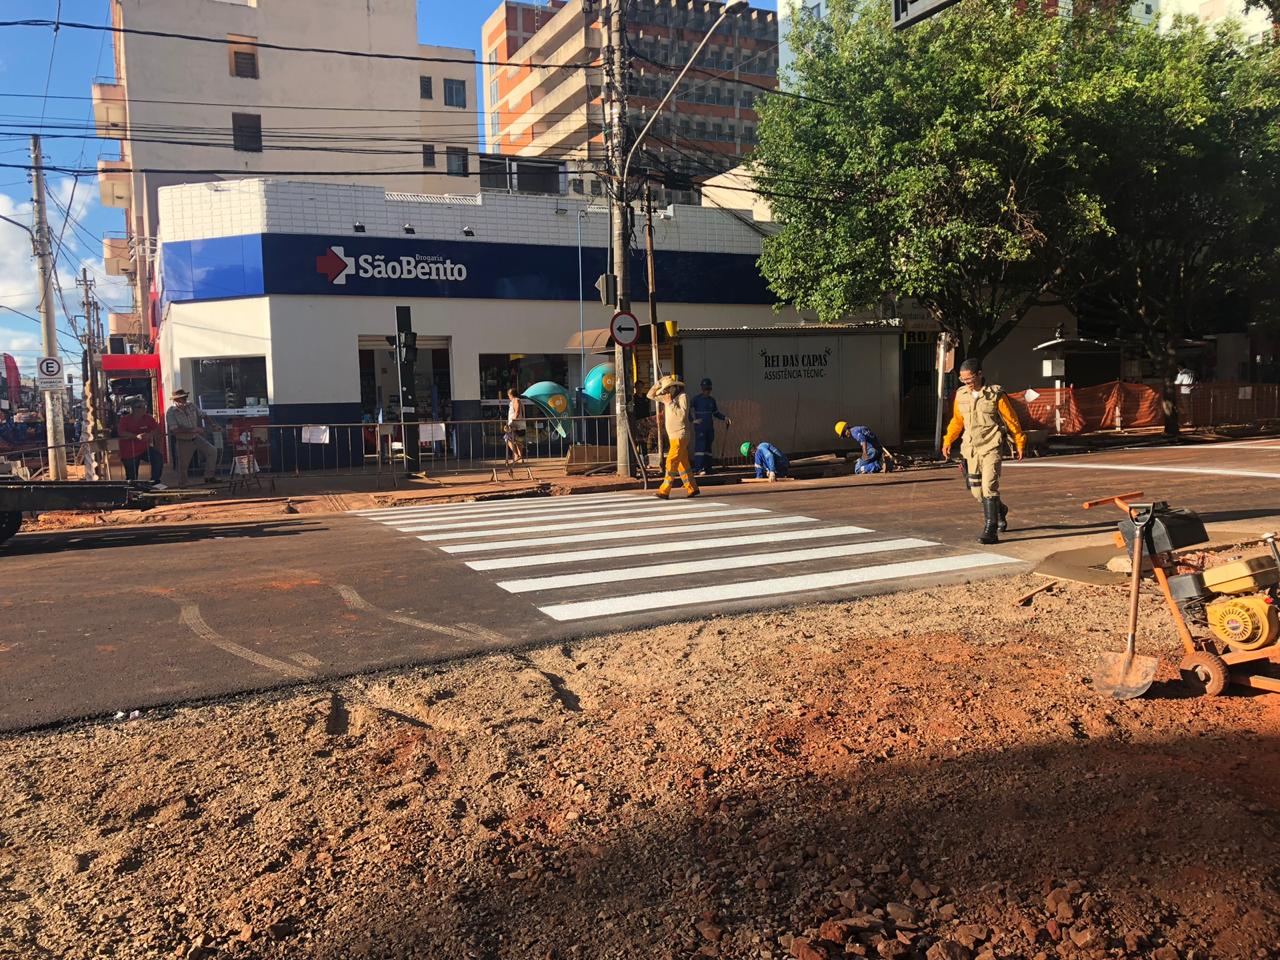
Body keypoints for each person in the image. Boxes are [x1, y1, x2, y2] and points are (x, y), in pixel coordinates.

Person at [941, 358, 1026, 544]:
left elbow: (1011, 419)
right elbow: (957, 421)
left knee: (989, 487)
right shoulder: (961, 394)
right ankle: (1000, 510)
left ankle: (990, 530)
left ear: (979, 374)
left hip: (991, 446)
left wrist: (1019, 441)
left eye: (970, 379)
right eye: (963, 380)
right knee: (976, 492)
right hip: (970, 449)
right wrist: (948, 440)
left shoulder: (996, 395)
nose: (967, 384)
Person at [647, 375, 699, 500]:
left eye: (668, 388)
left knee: (671, 462)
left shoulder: (682, 397)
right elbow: (650, 395)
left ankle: (665, 490)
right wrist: (658, 384)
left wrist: (670, 403)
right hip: (674, 436)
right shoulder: (667, 398)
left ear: (674, 387)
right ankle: (692, 488)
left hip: (680, 435)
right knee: (683, 464)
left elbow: (682, 415)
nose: (666, 391)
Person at [165, 389, 218, 486]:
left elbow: (203, 415)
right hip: (183, 440)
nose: (185, 399)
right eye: (182, 398)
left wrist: (212, 425)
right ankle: (183, 484)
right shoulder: (171, 412)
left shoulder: (191, 405)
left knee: (212, 451)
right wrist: (194, 429)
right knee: (183, 465)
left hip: (195, 437)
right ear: (176, 400)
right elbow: (175, 429)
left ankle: (209, 476)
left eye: (185, 397)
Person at [117, 397, 167, 488]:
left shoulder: (148, 418)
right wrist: (135, 436)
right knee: (132, 476)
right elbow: (121, 432)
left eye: (144, 406)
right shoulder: (125, 419)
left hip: (144, 449)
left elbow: (156, 429)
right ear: (134, 409)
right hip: (128, 452)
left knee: (158, 458)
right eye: (140, 407)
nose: (144, 409)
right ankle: (132, 491)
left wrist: (149, 435)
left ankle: (155, 482)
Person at [690, 377, 731, 476]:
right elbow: (686, 410)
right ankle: (698, 468)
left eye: (708, 389)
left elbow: (715, 413)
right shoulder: (696, 399)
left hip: (709, 428)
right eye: (705, 389)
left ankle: (708, 467)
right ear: (702, 389)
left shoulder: (712, 401)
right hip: (700, 428)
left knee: (708, 448)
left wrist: (725, 418)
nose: (707, 391)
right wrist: (692, 420)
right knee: (701, 448)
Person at [505, 388, 526, 463]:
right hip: (521, 424)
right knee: (518, 441)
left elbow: (517, 411)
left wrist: (512, 422)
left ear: (511, 395)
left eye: (509, 396)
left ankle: (516, 455)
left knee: (507, 438)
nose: (509, 398)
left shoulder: (515, 400)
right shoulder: (519, 400)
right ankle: (520, 457)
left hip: (515, 425)